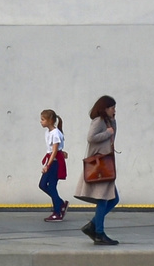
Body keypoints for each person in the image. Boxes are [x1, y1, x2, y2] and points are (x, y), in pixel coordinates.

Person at [73, 95, 120, 245]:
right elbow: (91, 137)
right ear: (104, 108)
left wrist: (112, 123)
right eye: (112, 107)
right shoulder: (98, 121)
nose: (114, 110)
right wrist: (108, 132)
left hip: (106, 165)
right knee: (103, 200)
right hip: (99, 165)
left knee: (113, 199)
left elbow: (112, 136)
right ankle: (98, 232)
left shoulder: (107, 121)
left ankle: (93, 225)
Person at [39, 109, 68, 221]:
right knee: (42, 185)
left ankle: (57, 212)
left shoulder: (55, 133)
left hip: (55, 163)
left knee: (51, 186)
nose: (41, 122)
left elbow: (55, 151)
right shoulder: (48, 132)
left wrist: (48, 165)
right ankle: (60, 203)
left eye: (43, 119)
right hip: (51, 160)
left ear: (50, 120)